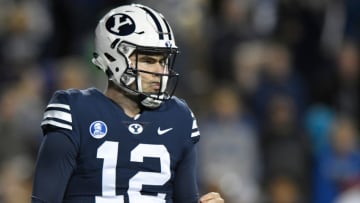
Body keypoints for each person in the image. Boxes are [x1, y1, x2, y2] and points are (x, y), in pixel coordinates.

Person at [31, 3, 224, 203]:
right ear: (114, 58)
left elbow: (187, 198)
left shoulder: (179, 117)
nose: (161, 72)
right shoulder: (75, 111)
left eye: (163, 61)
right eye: (149, 60)